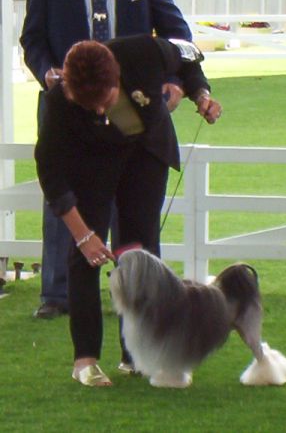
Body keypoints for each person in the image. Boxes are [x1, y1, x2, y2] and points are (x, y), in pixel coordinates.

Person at [34, 35, 222, 386]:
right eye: (89, 106)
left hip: (145, 155)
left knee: (139, 248)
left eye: (104, 100)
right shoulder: (58, 103)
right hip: (91, 166)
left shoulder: (145, 52)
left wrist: (200, 94)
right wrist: (84, 235)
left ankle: (136, 353)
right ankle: (85, 359)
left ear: (117, 76)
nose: (101, 111)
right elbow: (51, 175)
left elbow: (189, 57)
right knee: (85, 257)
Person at [20, 0, 192, 324]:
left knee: (131, 200)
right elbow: (33, 39)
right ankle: (57, 293)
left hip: (124, 101)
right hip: (68, 104)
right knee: (65, 196)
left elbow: (176, 34)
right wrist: (46, 73)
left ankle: (135, 290)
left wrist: (177, 80)